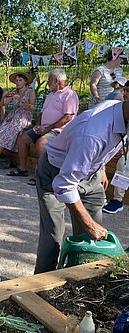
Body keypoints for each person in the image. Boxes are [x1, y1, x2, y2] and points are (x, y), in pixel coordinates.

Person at [34, 100, 129, 274]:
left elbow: (99, 147)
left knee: (92, 242)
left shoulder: (117, 108)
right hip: (56, 173)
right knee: (53, 234)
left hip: (89, 172)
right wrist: (90, 225)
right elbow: (64, 185)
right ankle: (38, 285)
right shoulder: (93, 134)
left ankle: (81, 282)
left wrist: (101, 168)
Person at [9, 69, 79, 183]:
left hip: (60, 130)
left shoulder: (69, 94)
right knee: (22, 139)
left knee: (41, 143)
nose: (47, 82)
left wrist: (47, 128)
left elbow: (68, 117)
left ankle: (42, 176)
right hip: (44, 127)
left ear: (56, 80)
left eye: (49, 80)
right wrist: (37, 126)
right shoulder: (51, 94)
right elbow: (42, 112)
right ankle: (22, 169)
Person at [102, 81, 129, 214]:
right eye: (125, 91)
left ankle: (118, 200)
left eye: (127, 91)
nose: (125, 94)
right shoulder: (119, 105)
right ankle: (98, 194)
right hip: (123, 143)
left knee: (124, 163)